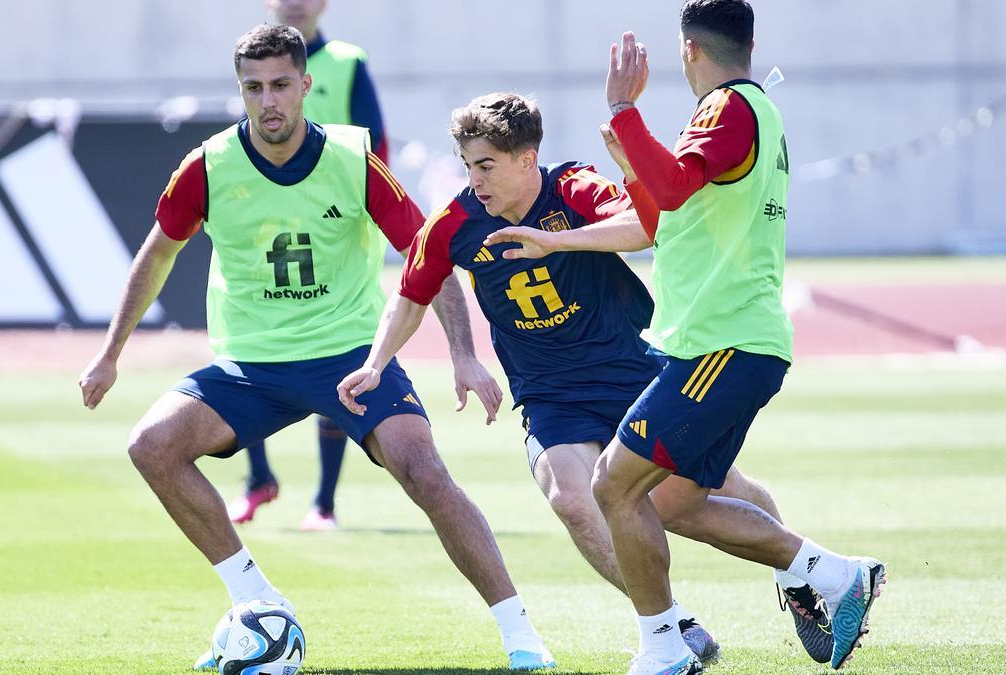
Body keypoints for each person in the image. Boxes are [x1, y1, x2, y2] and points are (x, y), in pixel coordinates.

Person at [77, 24, 554, 672]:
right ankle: (258, 601)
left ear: (305, 85)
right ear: (240, 91)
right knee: (151, 445)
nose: (268, 100)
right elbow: (156, 255)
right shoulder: (208, 167)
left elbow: (429, 250)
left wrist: (463, 353)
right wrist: (111, 353)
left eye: (280, 84)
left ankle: (521, 634)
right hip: (251, 365)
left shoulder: (352, 158)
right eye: (253, 88)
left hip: (350, 356)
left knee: (424, 470)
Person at [336, 91, 829, 667]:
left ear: (527, 159)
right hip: (549, 395)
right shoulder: (456, 221)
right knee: (570, 497)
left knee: (708, 495)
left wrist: (563, 235)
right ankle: (672, 628)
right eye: (469, 165)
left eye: (487, 165)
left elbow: (642, 223)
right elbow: (411, 294)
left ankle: (796, 574)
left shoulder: (571, 187)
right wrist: (382, 363)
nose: (476, 181)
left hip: (634, 372)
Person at [481, 4, 887, 673]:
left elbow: (669, 189)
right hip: (723, 343)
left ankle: (665, 648)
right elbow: (667, 214)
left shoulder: (727, 108)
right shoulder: (749, 113)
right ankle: (830, 575)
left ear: (689, 50)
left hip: (723, 343)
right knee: (673, 499)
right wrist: (591, 204)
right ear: (748, 43)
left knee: (611, 485)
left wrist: (621, 109)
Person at [228, 0, 393, 531]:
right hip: (269, 223)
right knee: (248, 347)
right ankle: (258, 479)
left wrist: (366, 206)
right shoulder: (256, 64)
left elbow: (376, 146)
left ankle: (323, 501)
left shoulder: (347, 61)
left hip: (332, 222)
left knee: (333, 355)